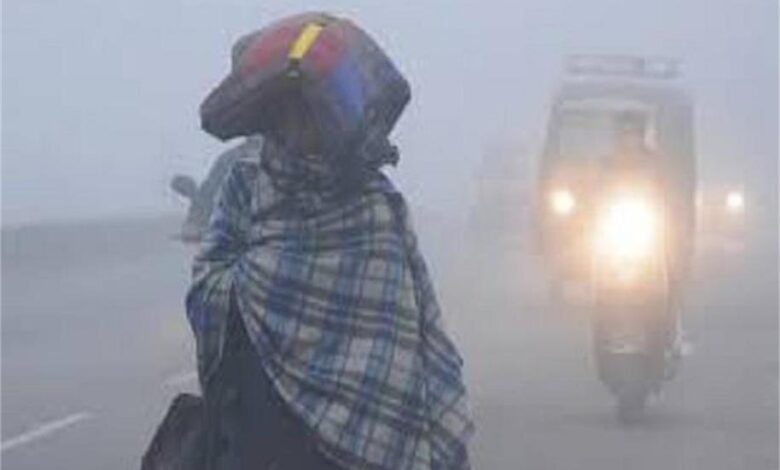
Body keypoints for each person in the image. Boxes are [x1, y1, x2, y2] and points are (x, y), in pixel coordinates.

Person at [185, 17, 474, 470]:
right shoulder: (245, 182)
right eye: (287, 113)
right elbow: (208, 282)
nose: (299, 126)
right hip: (264, 421)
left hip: (367, 439)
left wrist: (266, 281)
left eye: (308, 112)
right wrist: (256, 286)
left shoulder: (373, 203)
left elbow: (411, 329)